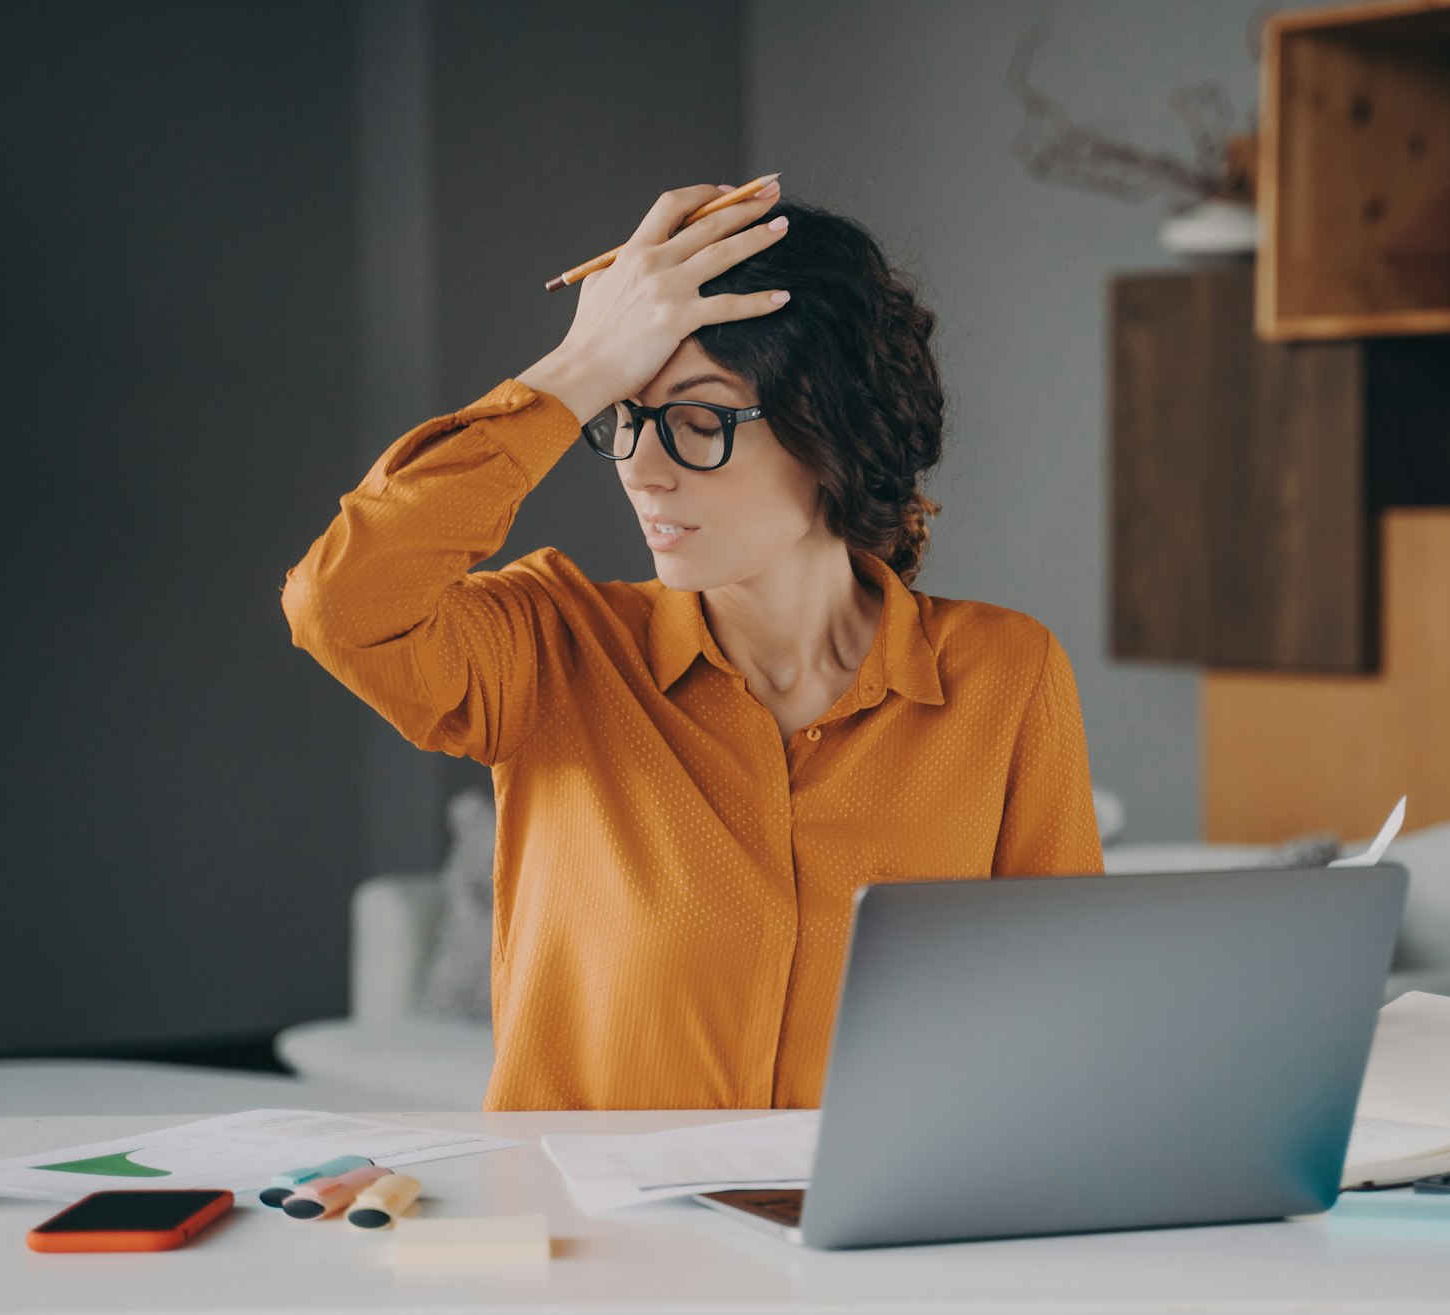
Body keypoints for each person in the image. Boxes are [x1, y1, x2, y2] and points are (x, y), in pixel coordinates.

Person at [281, 180, 1105, 1111]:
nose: (641, 466)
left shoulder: (1004, 673)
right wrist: (577, 368)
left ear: (832, 427)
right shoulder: (553, 650)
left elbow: (1059, 1009)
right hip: (602, 1245)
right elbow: (341, 605)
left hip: (879, 1242)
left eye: (700, 420)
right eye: (622, 416)